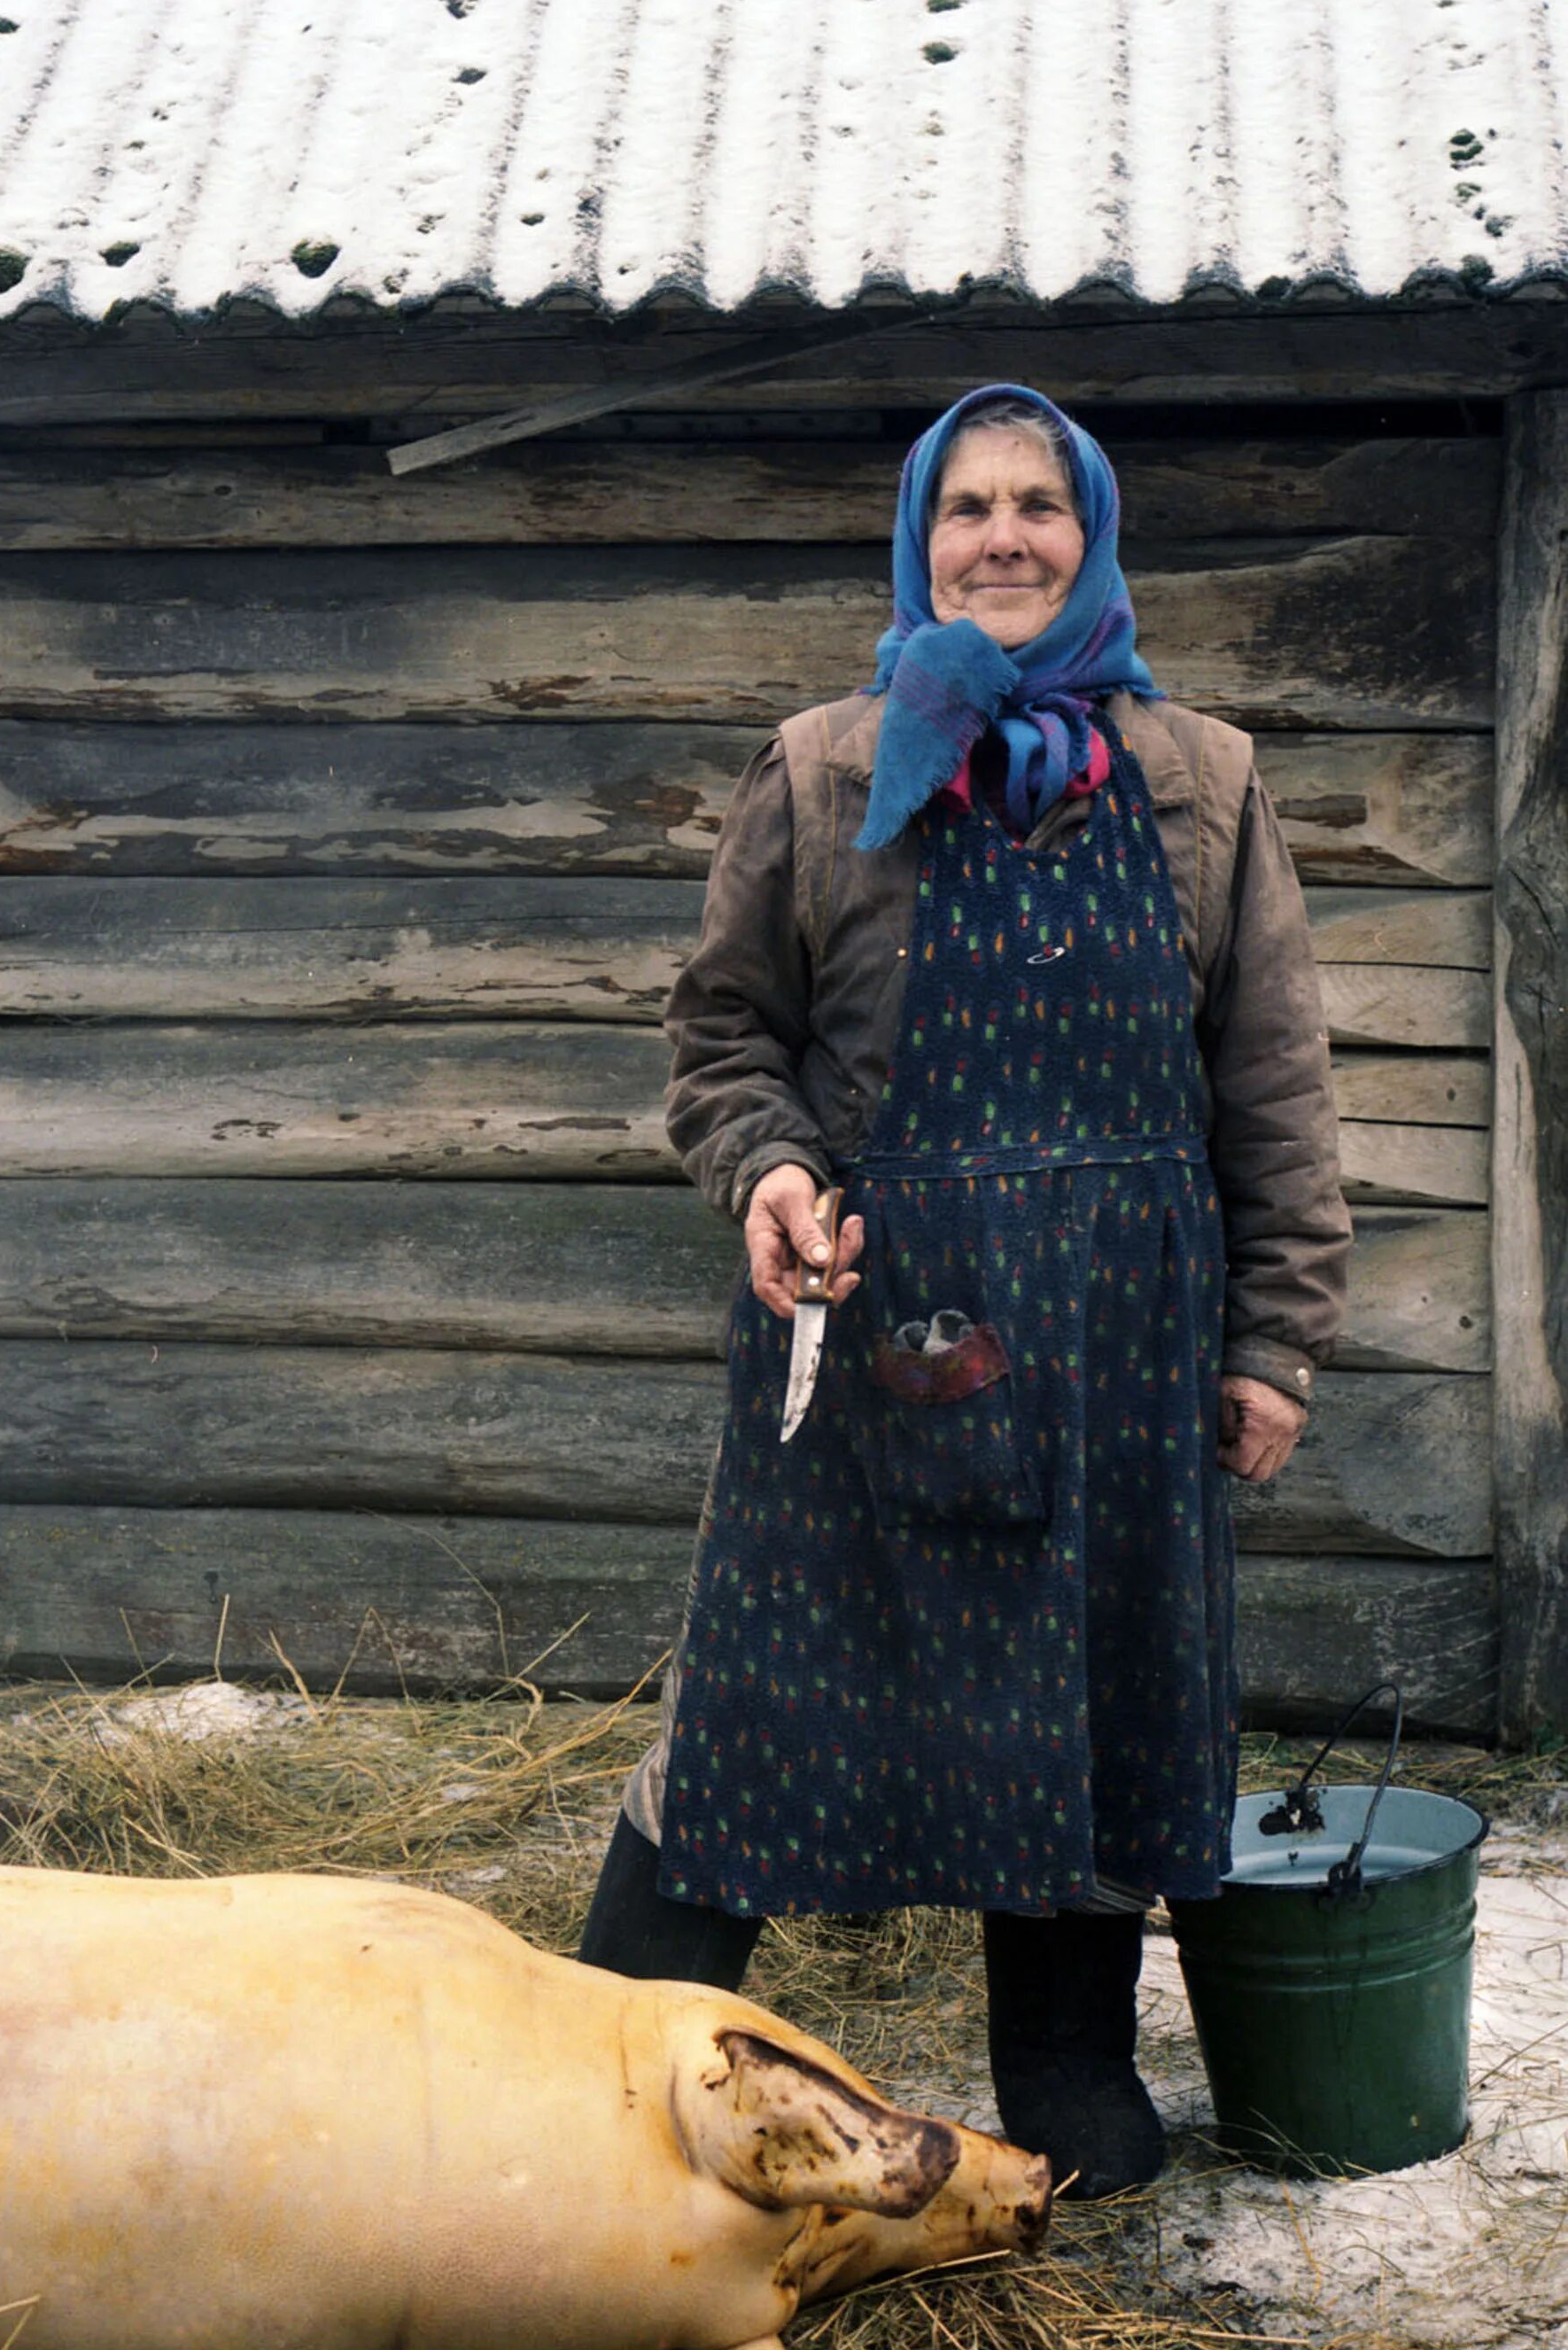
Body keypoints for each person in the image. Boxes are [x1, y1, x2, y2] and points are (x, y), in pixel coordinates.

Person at [577, 384, 1350, 2199]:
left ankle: (1069, 2068)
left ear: (1094, 540)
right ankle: (606, 2051)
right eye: (969, 509)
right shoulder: (828, 767)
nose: (1005, 537)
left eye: (1042, 506)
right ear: (920, 542)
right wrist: (771, 1168)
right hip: (875, 1317)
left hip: (1116, 1341)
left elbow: (1277, 1090)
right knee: (776, 1687)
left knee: (1084, 1688)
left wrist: (1278, 1342)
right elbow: (724, 1038)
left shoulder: (1205, 782)